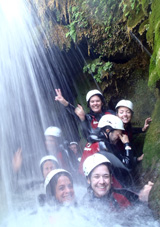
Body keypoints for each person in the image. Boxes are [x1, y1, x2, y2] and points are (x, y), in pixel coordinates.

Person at [82, 153, 154, 210]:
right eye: (96, 176)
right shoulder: (84, 205)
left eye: (106, 176)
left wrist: (148, 195)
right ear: (88, 180)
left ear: (111, 178)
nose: (102, 181)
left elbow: (141, 201)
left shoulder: (124, 195)